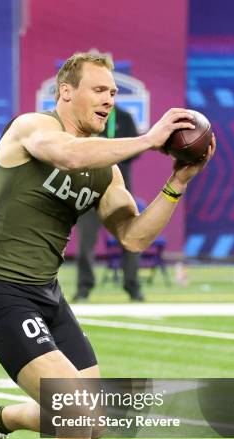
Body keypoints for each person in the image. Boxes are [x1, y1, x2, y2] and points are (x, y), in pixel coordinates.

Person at [0, 51, 216, 439]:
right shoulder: (33, 127)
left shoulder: (107, 170)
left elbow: (136, 236)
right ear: (66, 92)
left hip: (46, 296)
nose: (109, 99)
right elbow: (70, 156)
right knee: (76, 410)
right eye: (99, 90)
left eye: (114, 93)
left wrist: (179, 181)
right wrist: (149, 139)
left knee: (90, 419)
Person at [73, 104, 144, 301]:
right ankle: (83, 288)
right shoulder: (84, 118)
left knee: (130, 240)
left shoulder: (123, 117)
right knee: (85, 245)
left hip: (117, 191)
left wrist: (111, 149)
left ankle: (133, 287)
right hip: (88, 189)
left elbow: (136, 150)